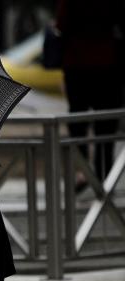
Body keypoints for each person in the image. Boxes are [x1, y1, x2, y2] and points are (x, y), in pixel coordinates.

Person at [55, 0, 125, 190]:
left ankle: (83, 171)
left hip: (77, 65)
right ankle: (105, 176)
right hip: (108, 66)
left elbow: (61, 24)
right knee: (106, 127)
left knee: (78, 123)